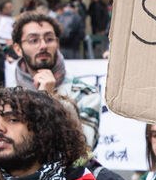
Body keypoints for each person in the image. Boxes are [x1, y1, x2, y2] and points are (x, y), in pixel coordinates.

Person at [11, 11, 102, 147]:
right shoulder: (9, 97)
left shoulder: (85, 93)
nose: (43, 45)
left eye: (49, 39)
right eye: (33, 40)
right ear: (18, 49)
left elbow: (84, 146)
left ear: (57, 44)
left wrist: (49, 100)